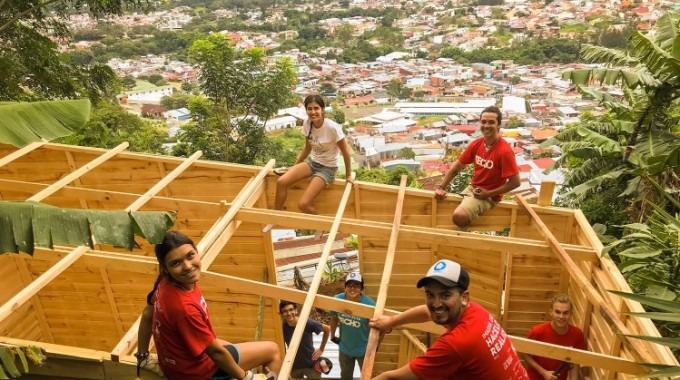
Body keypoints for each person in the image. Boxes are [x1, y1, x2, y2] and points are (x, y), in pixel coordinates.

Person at [136, 231, 282, 380]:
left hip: (177, 363)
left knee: (226, 345)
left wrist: (143, 356)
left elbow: (148, 314)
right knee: (273, 351)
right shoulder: (184, 309)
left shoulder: (165, 282)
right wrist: (247, 377)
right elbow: (216, 354)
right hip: (197, 372)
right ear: (165, 268)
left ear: (197, 252)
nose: (187, 266)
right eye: (176, 263)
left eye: (190, 255)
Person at [369, 259, 529, 380]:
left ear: (464, 297)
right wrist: (390, 322)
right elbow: (427, 311)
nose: (436, 304)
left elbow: (392, 378)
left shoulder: (457, 344)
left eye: (445, 295)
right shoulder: (476, 311)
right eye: (430, 294)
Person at [263, 94, 353, 233]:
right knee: (281, 182)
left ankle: (321, 226)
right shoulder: (307, 123)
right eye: (309, 109)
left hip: (327, 168)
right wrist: (294, 166)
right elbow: (307, 148)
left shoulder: (332, 128)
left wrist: (348, 176)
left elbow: (346, 153)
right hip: (313, 162)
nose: (313, 112)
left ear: (322, 110)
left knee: (303, 204)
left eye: (316, 108)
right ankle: (276, 218)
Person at [434, 105, 520, 229]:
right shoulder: (477, 144)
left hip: (489, 196)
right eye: (483, 122)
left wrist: (489, 193)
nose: (486, 125)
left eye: (491, 122)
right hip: (474, 188)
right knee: (444, 208)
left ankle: (464, 241)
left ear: (499, 125)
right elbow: (457, 167)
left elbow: (515, 182)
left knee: (459, 216)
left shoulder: (504, 152)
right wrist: (441, 187)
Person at [523, 294, 586, 380]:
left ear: (571, 314)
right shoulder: (536, 332)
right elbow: (525, 354)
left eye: (565, 313)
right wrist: (543, 372)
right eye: (557, 312)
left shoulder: (577, 334)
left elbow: (575, 363)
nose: (561, 316)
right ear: (551, 312)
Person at [329, 271, 377, 380]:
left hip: (363, 349)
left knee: (367, 377)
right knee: (345, 376)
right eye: (349, 285)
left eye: (356, 286)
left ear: (361, 289)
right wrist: (332, 335)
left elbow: (376, 327)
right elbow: (334, 318)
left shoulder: (369, 304)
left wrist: (374, 346)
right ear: (345, 287)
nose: (352, 289)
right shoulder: (338, 299)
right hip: (345, 348)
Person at [279, 300, 331, 379]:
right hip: (294, 366)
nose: (289, 313)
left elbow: (327, 329)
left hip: (311, 365)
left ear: (296, 310)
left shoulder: (306, 323)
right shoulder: (282, 327)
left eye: (291, 310)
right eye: (285, 311)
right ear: (282, 314)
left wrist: (321, 348)